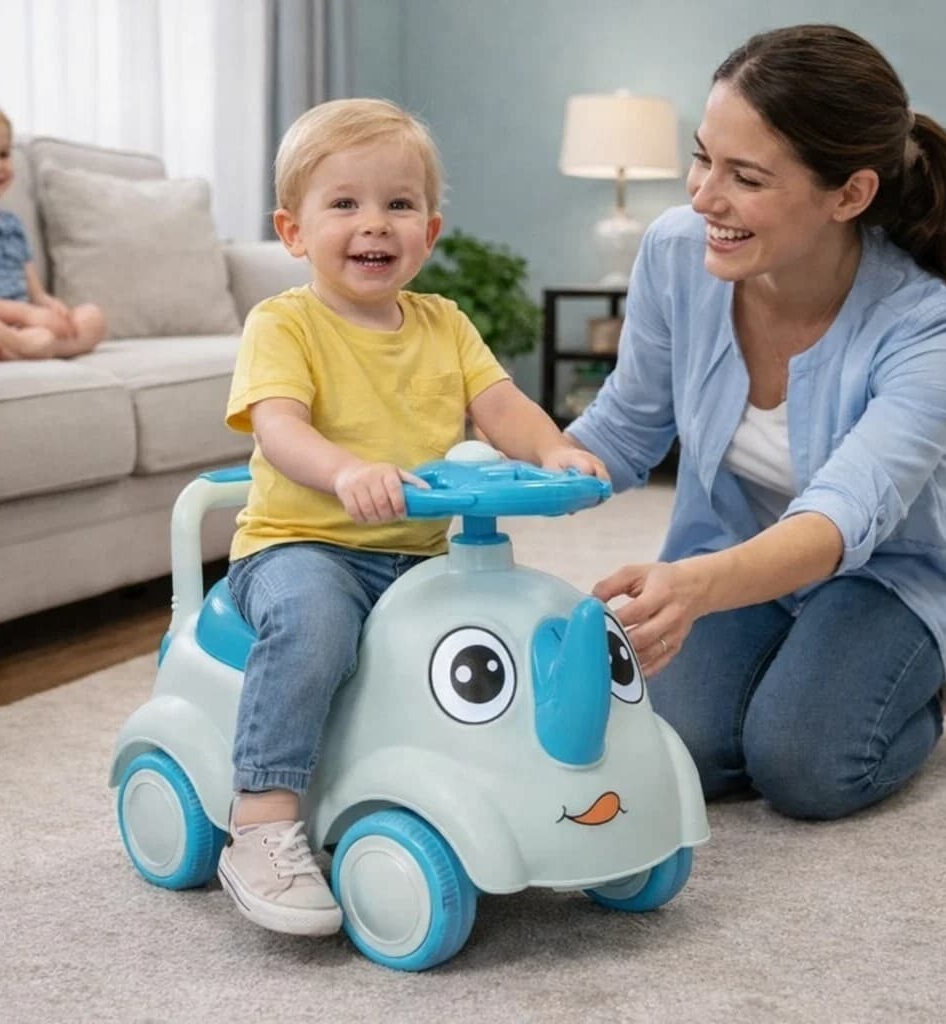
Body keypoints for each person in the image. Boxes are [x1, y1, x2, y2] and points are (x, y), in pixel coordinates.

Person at [220, 97, 607, 937]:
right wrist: (347, 470)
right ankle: (262, 817)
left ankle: (499, 785)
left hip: (420, 554)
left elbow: (499, 405)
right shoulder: (283, 324)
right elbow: (279, 428)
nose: (374, 224)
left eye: (398, 204)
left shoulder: (445, 324)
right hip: (302, 547)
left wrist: (553, 448)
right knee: (315, 625)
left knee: (494, 630)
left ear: (428, 233)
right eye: (344, 203)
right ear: (292, 231)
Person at [567, 23, 946, 823]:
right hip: (730, 552)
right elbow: (623, 429)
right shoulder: (676, 254)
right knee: (678, 745)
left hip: (887, 577)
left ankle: (921, 689)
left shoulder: (932, 330)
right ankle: (798, 664)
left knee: (803, 765)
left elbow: (840, 517)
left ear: (849, 195)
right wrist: (493, 474)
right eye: (702, 157)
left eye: (745, 177)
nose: (703, 196)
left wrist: (693, 588)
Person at [0, 93, 105, 358]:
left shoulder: (11, 224)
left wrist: (49, 306)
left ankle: (21, 348)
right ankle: (27, 347)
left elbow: (34, 293)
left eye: (3, 154)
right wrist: (27, 314)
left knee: (92, 318)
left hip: (24, 323)